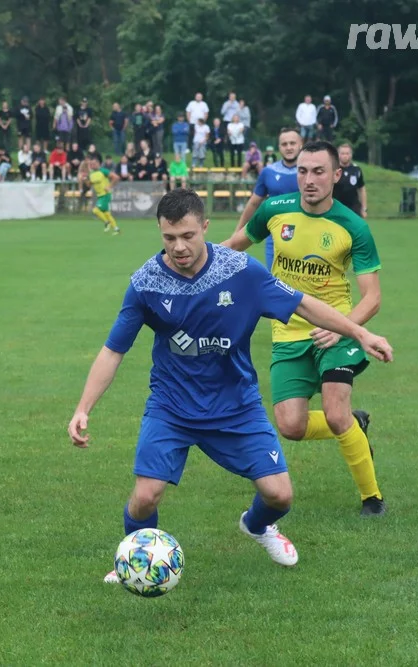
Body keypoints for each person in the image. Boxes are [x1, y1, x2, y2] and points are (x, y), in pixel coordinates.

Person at [67, 189, 393, 583]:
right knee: (144, 497)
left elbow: (303, 304)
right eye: (169, 238)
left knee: (280, 496)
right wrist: (84, 408)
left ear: (205, 227)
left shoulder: (242, 272)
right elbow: (112, 351)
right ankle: (135, 560)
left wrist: (358, 332)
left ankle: (257, 526)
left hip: (236, 405)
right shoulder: (146, 283)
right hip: (172, 407)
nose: (179, 247)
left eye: (188, 235)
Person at [222, 140, 387, 516]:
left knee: (334, 409)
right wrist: (198, 260)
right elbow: (236, 244)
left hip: (337, 331)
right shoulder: (274, 210)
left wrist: (345, 329)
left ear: (336, 175)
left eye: (318, 172)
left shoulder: (352, 226)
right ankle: (354, 426)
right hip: (288, 333)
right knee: (291, 426)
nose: (308, 180)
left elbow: (372, 297)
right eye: (302, 171)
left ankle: (372, 498)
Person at [233, 128, 303, 269]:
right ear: (279, 147)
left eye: (292, 143)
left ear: (300, 144)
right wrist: (237, 232)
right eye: (284, 144)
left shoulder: (310, 172)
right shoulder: (268, 172)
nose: (288, 147)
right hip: (275, 237)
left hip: (305, 236)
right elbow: (253, 203)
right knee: (276, 283)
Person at [86, 156, 120, 234]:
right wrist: (84, 179)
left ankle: (106, 223)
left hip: (105, 194)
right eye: (91, 164)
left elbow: (116, 177)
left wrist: (109, 186)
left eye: (94, 164)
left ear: (99, 164)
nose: (92, 165)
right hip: (100, 196)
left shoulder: (103, 171)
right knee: (107, 214)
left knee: (95, 210)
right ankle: (116, 229)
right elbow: (89, 184)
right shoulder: (91, 174)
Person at [334, 143, 368, 217]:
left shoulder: (356, 170)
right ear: (338, 154)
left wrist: (364, 208)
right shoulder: (334, 169)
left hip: (354, 209)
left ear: (351, 155)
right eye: (342, 153)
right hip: (337, 207)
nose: (345, 156)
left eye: (347, 153)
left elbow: (361, 189)